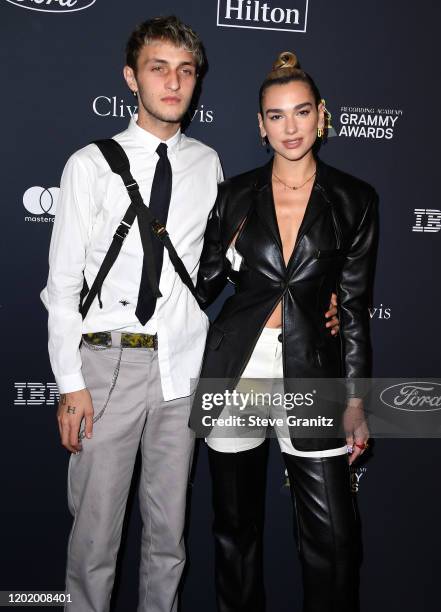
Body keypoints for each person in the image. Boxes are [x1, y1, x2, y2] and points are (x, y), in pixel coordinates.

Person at [41, 15, 340, 610]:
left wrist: (313, 299)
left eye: (185, 71)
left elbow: (235, 263)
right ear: (132, 78)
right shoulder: (90, 165)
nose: (174, 83)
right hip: (107, 365)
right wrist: (69, 384)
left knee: (168, 539)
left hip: (184, 368)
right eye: (159, 69)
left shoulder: (210, 166)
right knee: (95, 540)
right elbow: (60, 284)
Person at [191, 51, 378, 611]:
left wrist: (355, 400)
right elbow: (201, 287)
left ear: (321, 115)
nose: (289, 127)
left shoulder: (354, 199)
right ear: (260, 125)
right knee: (236, 531)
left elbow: (354, 307)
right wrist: (214, 247)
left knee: (334, 540)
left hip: (313, 366)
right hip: (240, 369)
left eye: (300, 112)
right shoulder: (235, 195)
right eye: (276, 116)